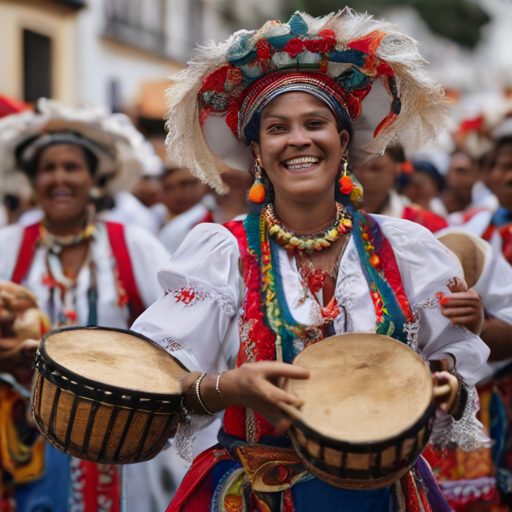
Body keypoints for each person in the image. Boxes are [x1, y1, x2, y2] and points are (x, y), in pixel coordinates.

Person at [131, 10, 489, 512]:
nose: (298, 139)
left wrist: (444, 375)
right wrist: (229, 387)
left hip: (385, 494)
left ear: (343, 142)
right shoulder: (223, 252)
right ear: (257, 150)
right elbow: (158, 380)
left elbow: (452, 357)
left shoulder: (405, 247)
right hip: (255, 494)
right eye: (278, 128)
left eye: (315, 123)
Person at [0, 99, 171, 512]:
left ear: (95, 177)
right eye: (47, 168)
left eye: (71, 167)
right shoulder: (8, 247)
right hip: (29, 440)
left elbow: (177, 340)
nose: (59, 178)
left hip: (121, 439)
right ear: (32, 180)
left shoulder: (134, 245)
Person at [353, 145, 448, 232]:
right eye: (354, 166)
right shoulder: (339, 216)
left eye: (376, 168)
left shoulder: (427, 223)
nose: (364, 175)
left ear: (397, 169)